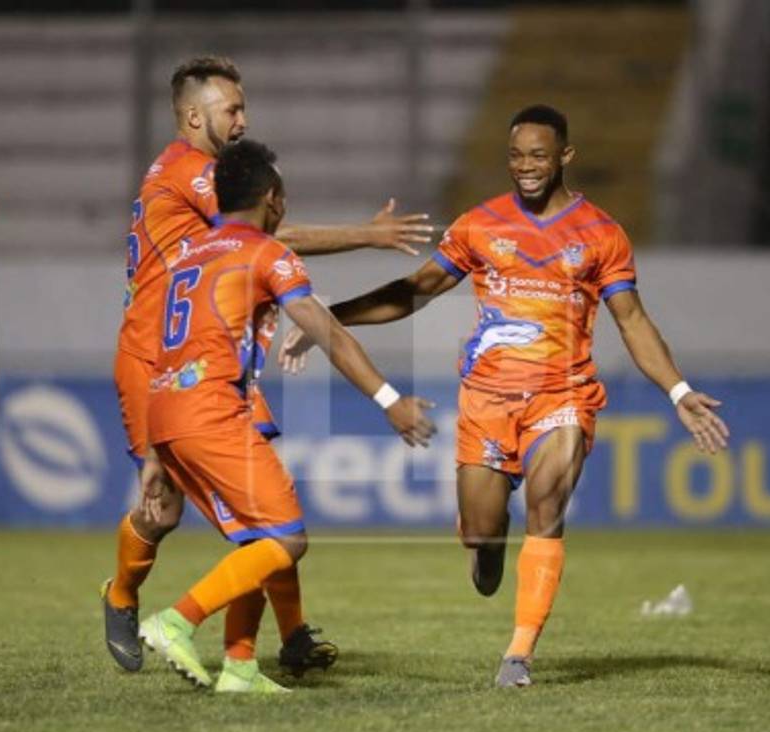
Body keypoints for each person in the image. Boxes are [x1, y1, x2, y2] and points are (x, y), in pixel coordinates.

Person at [278, 105, 730, 688]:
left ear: (565, 156)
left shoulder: (601, 235)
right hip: (487, 401)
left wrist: (678, 389)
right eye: (516, 156)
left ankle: (517, 656)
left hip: (562, 397)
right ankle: (484, 544)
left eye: (538, 156)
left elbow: (633, 320)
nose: (526, 167)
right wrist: (328, 320)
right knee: (483, 532)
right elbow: (415, 291)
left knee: (547, 508)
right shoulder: (480, 225)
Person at [103, 55, 434, 678]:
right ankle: (125, 595)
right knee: (172, 513)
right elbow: (266, 228)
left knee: (264, 510)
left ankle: (271, 646)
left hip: (207, 360)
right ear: (194, 114)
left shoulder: (198, 193)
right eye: (232, 108)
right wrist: (368, 233)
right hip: (155, 353)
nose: (242, 119)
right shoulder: (194, 173)